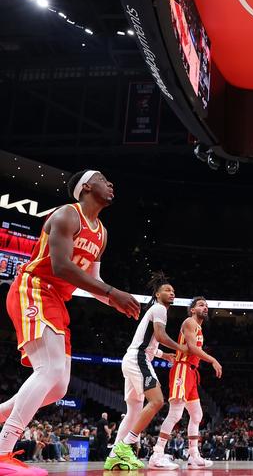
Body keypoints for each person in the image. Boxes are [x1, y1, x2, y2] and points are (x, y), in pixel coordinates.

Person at [1, 170, 140, 476]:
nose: (111, 183)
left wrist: (114, 299)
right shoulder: (67, 214)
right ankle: (3, 451)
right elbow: (60, 266)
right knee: (47, 370)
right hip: (34, 288)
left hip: (56, 300)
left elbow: (94, 281)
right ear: (87, 187)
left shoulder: (101, 233)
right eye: (104, 179)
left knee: (58, 388)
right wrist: (111, 292)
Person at [104, 273, 187, 471]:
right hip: (138, 359)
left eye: (173, 291)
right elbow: (160, 335)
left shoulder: (154, 310)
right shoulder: (159, 309)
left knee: (133, 411)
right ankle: (126, 445)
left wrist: (163, 354)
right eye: (167, 290)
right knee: (157, 401)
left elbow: (149, 341)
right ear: (157, 294)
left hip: (133, 358)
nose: (171, 292)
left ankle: (114, 455)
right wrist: (179, 348)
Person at [149, 296, 223, 469]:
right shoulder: (189, 322)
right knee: (175, 414)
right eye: (201, 305)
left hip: (191, 372)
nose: (205, 307)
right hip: (182, 369)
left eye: (206, 305)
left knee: (197, 415)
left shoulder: (199, 327)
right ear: (192, 310)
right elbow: (192, 348)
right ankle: (157, 454)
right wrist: (212, 360)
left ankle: (194, 455)